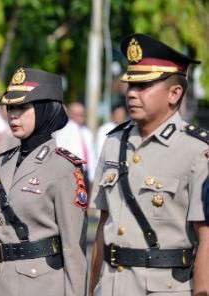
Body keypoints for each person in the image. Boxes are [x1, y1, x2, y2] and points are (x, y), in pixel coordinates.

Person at [89, 33, 209, 296]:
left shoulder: (197, 151)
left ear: (175, 93)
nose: (132, 94)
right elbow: (103, 226)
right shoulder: (113, 142)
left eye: (143, 86)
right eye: (130, 86)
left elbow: (207, 238)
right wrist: (90, 288)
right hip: (112, 287)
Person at [0, 67, 88, 296]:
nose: (13, 115)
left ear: (45, 109)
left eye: (22, 107)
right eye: (10, 107)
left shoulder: (63, 168)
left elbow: (73, 251)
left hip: (41, 287)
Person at [55, 101, 97, 183]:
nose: (79, 117)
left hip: (86, 173)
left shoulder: (87, 132)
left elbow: (91, 155)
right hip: (71, 173)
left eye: (81, 114)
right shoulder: (63, 131)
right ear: (70, 114)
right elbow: (60, 150)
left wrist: (93, 176)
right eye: (76, 114)